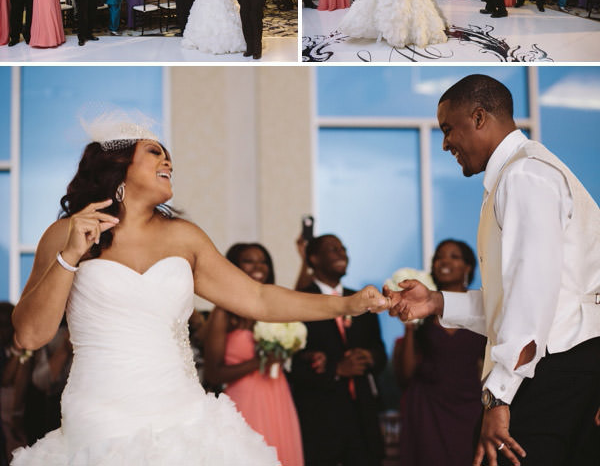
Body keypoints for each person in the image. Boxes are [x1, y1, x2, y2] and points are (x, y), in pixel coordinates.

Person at [10, 114, 392, 465]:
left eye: (169, 157)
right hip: (98, 419)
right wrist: (70, 256)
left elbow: (258, 298)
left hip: (183, 417)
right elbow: (30, 334)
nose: (168, 163)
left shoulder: (184, 237)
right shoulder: (66, 233)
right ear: (118, 164)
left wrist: (348, 304)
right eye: (155, 152)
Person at [392, 74, 600, 466]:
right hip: (562, 365)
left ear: (479, 116)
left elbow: (530, 297)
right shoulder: (519, 173)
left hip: (556, 369)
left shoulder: (524, 176)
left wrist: (498, 396)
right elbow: (520, 299)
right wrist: (436, 302)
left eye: (448, 128)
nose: (444, 143)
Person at [204, 243, 304, 466]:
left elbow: (302, 298)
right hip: (244, 400)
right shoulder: (224, 312)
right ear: (234, 267)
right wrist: (260, 362)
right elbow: (213, 372)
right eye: (249, 261)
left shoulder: (275, 307)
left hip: (278, 395)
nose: (258, 266)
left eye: (263, 261)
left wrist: (304, 261)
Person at [290, 234, 386, 466]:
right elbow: (292, 361)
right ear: (313, 258)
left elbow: (380, 352)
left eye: (343, 248)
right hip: (320, 415)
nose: (341, 253)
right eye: (333, 249)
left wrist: (369, 357)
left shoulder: (361, 299)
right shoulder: (300, 299)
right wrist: (336, 369)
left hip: (362, 415)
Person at [393, 239, 486, 466]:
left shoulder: (482, 309)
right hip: (428, 409)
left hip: (470, 407)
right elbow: (405, 375)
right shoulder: (421, 313)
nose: (444, 261)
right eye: (439, 257)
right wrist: (409, 326)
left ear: (468, 267)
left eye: (454, 256)